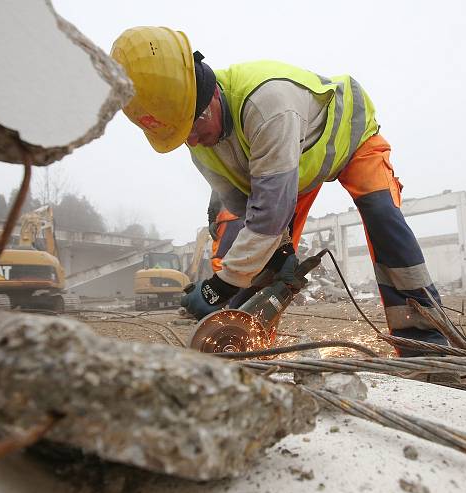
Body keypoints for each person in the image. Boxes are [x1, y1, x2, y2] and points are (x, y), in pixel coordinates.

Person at [111, 26, 448, 352]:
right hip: (289, 170)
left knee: (383, 219)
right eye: (182, 134)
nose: (193, 141)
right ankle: (246, 341)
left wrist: (218, 287)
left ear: (211, 92)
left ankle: (425, 343)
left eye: (194, 126)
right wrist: (279, 255)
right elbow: (248, 211)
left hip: (351, 138)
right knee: (259, 260)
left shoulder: (268, 103)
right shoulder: (199, 142)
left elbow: (269, 215)